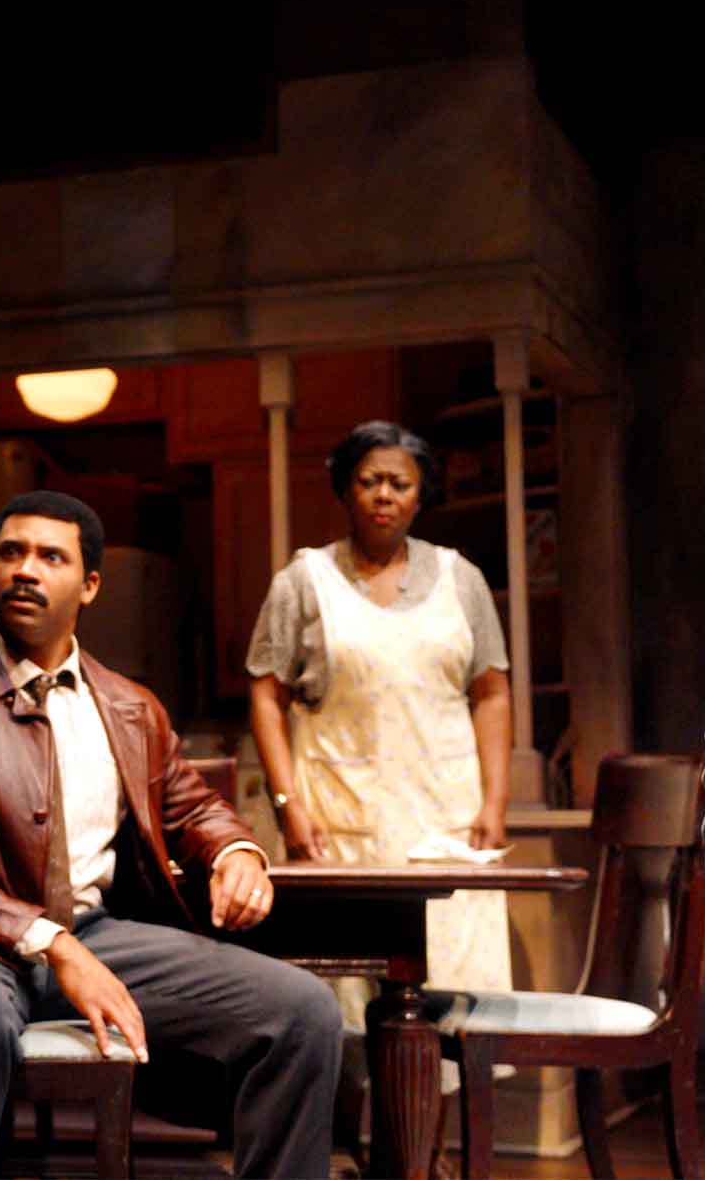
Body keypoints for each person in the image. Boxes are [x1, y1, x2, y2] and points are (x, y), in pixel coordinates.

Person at [0, 490, 341, 1180]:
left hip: (96, 934)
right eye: (11, 552)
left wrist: (236, 851)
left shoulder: (128, 706)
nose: (26, 569)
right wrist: (50, 941)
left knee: (303, 1012)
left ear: (89, 585)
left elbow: (192, 804)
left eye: (50, 556)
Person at [245, 419, 514, 1042]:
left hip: (444, 819)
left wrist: (495, 801)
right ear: (346, 490)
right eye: (369, 481)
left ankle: (435, 1142)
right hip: (337, 819)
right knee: (342, 1000)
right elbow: (265, 693)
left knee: (451, 996)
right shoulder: (304, 580)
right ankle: (352, 1140)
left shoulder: (460, 578)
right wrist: (288, 804)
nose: (384, 495)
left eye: (400, 483)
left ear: (421, 495)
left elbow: (492, 692)